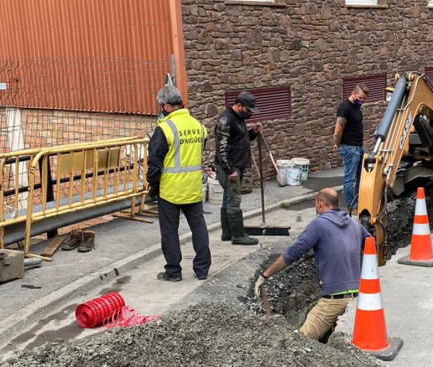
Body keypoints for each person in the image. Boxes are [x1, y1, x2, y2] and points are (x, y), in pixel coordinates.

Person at [254, 188, 371, 340]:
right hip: (359, 297)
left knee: (300, 343)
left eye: (315, 204)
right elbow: (371, 244)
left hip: (334, 300)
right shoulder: (355, 225)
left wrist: (265, 274)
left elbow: (294, 252)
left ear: (320, 204)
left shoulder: (319, 225)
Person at [147, 86, 211, 282]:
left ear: (166, 106)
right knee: (199, 228)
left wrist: (153, 186)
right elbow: (199, 151)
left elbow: (154, 163)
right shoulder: (198, 126)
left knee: (169, 232)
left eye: (161, 106)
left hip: (170, 191)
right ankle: (202, 270)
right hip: (193, 188)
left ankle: (173, 272)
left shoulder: (164, 129)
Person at [215, 91, 263, 245]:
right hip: (231, 166)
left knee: (228, 198)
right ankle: (238, 235)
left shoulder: (237, 118)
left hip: (236, 164)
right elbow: (222, 149)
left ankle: (227, 233)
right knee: (234, 199)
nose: (250, 114)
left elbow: (240, 139)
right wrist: (230, 170)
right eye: (248, 110)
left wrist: (253, 133)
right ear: (239, 105)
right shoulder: (226, 120)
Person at [333, 84, 368, 213]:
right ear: (353, 93)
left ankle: (359, 202)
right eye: (360, 98)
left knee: (360, 177)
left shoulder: (356, 107)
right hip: (349, 148)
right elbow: (338, 131)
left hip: (358, 147)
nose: (362, 101)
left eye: (364, 99)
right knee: (350, 179)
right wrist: (336, 144)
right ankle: (351, 205)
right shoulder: (345, 107)